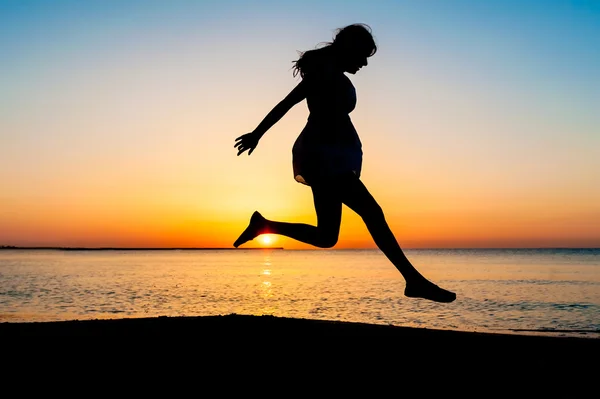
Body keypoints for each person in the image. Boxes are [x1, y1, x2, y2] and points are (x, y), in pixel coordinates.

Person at [233, 24, 456, 303]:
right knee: (372, 213)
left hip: (330, 156)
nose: (364, 63)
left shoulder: (333, 73)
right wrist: (257, 133)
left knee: (327, 237)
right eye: (362, 56)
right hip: (323, 156)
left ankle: (264, 226)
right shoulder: (323, 72)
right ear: (349, 49)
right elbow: (287, 103)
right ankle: (414, 281)